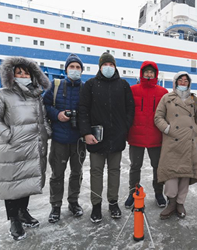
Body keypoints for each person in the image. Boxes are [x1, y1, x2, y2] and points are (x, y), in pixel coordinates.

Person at [0, 56, 51, 240]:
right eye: (18, 72)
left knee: (27, 181)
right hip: (13, 149)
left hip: (33, 147)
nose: (23, 75)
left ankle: (23, 211)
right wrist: (8, 136)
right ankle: (14, 219)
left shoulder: (35, 95)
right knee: (12, 184)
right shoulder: (1, 94)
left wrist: (46, 132)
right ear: (11, 75)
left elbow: (42, 118)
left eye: (26, 72)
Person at [79, 52, 134, 223]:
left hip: (116, 137)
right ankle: (96, 205)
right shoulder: (90, 85)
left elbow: (130, 110)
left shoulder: (123, 85)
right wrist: (86, 132)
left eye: (111, 64)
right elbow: (83, 110)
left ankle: (113, 202)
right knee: (96, 171)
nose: (108, 67)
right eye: (105, 64)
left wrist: (124, 128)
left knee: (114, 171)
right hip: (96, 138)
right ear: (100, 67)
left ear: (115, 66)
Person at [43, 53, 86, 223]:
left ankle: (73, 202)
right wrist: (57, 114)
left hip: (78, 140)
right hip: (59, 139)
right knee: (57, 174)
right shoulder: (55, 85)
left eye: (77, 67)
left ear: (81, 71)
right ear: (66, 69)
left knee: (77, 173)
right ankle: (55, 206)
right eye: (72, 67)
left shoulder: (85, 88)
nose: (75, 70)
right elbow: (44, 105)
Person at [154, 71, 197, 219]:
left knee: (185, 174)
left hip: (189, 140)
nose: (183, 83)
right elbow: (158, 117)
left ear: (189, 83)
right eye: (180, 80)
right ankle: (171, 202)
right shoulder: (166, 98)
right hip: (172, 140)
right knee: (171, 173)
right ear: (175, 82)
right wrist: (167, 129)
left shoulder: (194, 99)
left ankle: (180, 203)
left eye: (185, 81)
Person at [125, 61, 168, 209]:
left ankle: (158, 193)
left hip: (156, 137)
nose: (149, 74)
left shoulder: (162, 92)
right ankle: (133, 192)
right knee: (135, 166)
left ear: (155, 74)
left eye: (151, 72)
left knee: (157, 167)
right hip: (136, 136)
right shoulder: (132, 90)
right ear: (141, 73)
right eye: (146, 72)